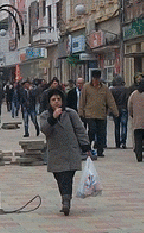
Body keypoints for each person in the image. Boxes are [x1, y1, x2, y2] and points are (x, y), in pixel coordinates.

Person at [38, 87, 90, 216]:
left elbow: (79, 129)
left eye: (59, 99)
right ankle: (64, 196)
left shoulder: (70, 113)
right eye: (53, 100)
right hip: (55, 152)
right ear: (49, 102)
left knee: (67, 177)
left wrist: (85, 145)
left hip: (70, 151)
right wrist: (53, 119)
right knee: (59, 177)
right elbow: (45, 130)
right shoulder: (45, 115)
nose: (56, 102)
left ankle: (66, 201)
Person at [78, 69, 118, 158]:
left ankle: (100, 150)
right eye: (94, 79)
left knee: (101, 133)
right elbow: (82, 101)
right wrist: (81, 112)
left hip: (101, 114)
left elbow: (110, 100)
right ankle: (89, 149)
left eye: (97, 79)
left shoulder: (105, 88)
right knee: (92, 131)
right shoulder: (86, 87)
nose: (95, 81)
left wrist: (115, 112)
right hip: (89, 114)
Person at [109, 75, 131, 149]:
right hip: (124, 108)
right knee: (124, 125)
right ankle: (123, 142)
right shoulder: (126, 89)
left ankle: (117, 143)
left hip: (116, 109)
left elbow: (111, 101)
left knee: (117, 126)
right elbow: (128, 99)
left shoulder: (112, 90)